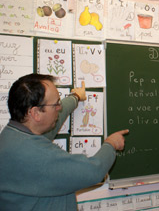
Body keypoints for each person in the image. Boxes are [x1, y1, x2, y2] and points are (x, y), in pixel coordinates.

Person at [0, 73, 129, 211]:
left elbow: (55, 122)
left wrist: (75, 97)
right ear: (35, 113)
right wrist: (111, 144)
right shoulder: (34, 154)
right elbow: (93, 171)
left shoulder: (11, 137)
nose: (59, 108)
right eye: (56, 104)